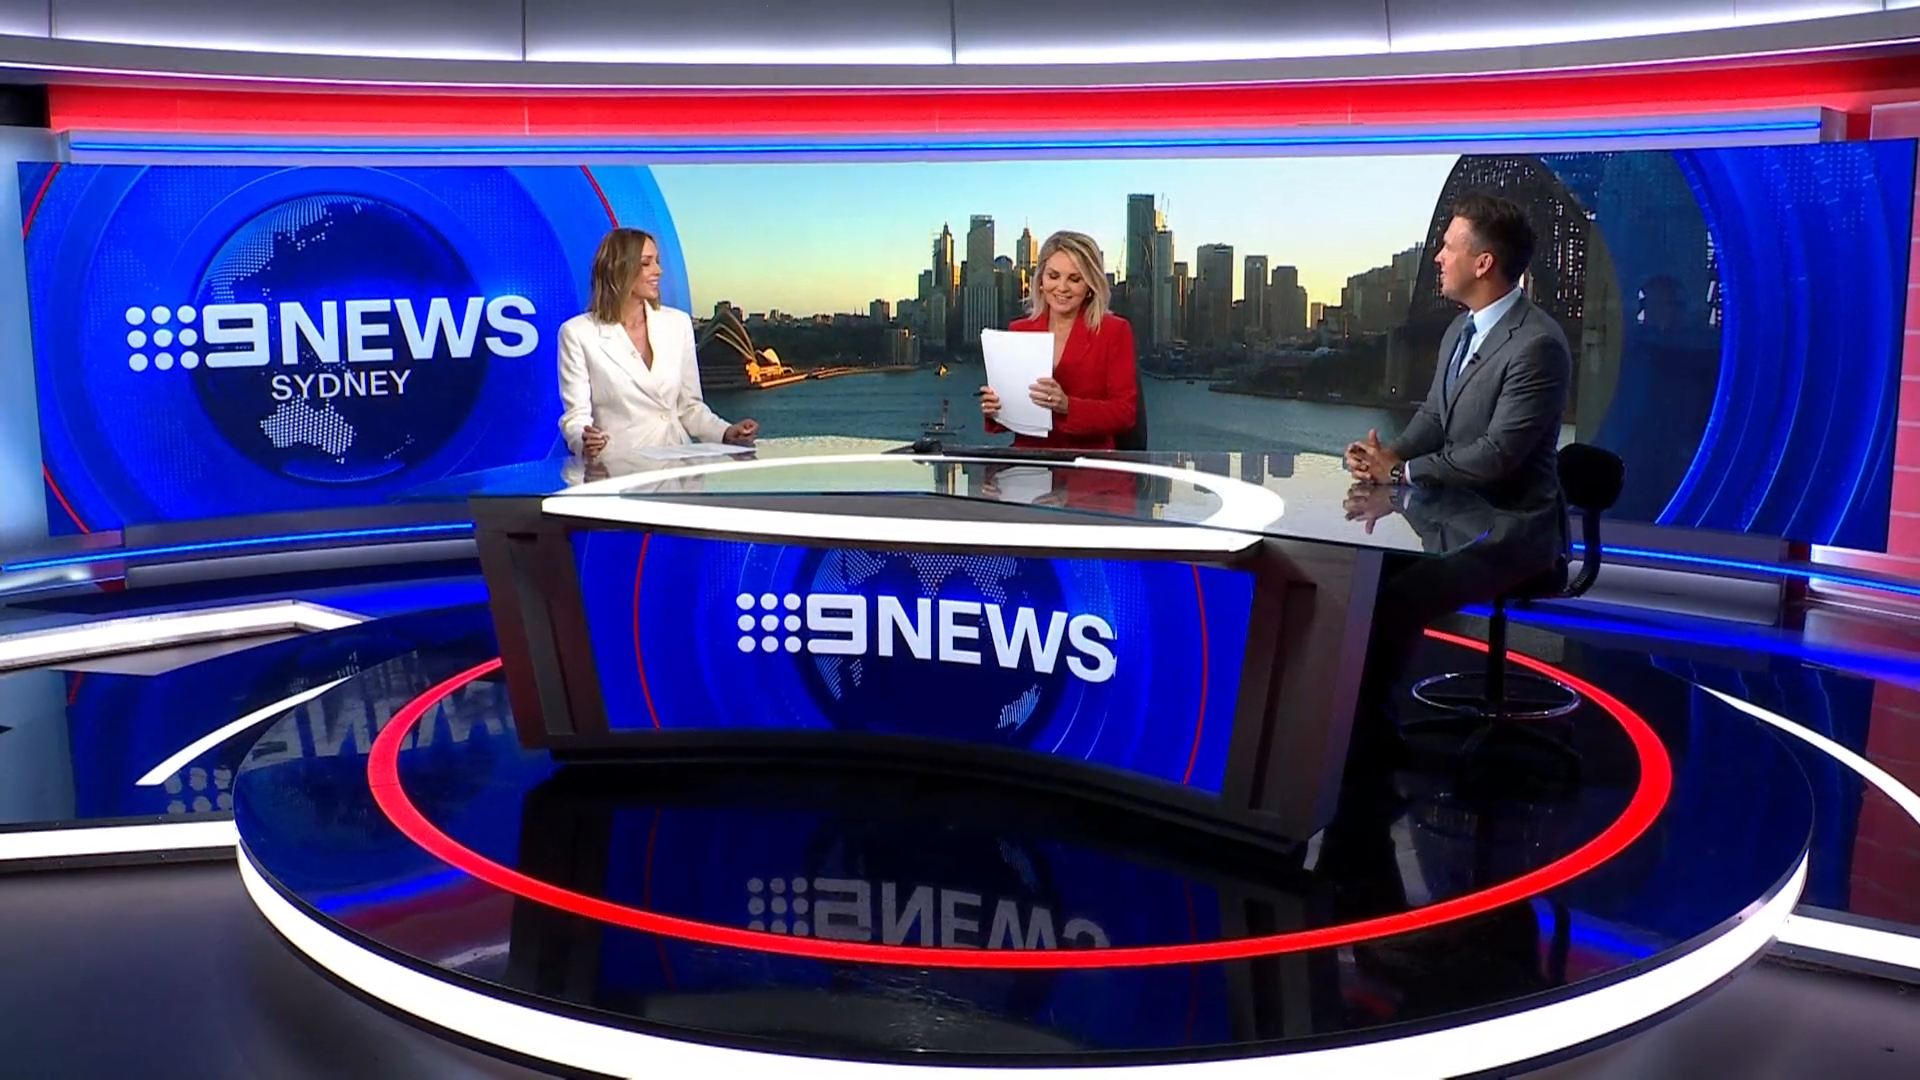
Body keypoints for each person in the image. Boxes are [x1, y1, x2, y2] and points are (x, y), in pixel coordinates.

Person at [1342, 192, 1572, 769]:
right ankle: (1347, 726)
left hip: (1512, 532)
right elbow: (1436, 417)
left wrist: (1403, 472)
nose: (1438, 257)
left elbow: (1497, 456)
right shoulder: (1459, 330)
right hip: (1452, 518)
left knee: (1397, 599)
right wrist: (1388, 453)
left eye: (1448, 247)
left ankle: (1373, 748)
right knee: (1364, 575)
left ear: (1484, 262)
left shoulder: (1537, 345)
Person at [557, 227, 756, 458]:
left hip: (677, 464)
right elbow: (576, 417)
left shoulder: (677, 324)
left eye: (657, 261)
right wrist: (583, 440)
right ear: (619, 269)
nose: (658, 271)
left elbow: (689, 407)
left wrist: (726, 432)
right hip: (618, 466)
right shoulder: (578, 333)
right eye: (646, 263)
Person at [979, 231, 1138, 451]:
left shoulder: (1114, 331)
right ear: (1041, 280)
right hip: (1028, 460)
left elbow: (1125, 413)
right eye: (1053, 276)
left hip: (1089, 463)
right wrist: (995, 408)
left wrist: (1068, 406)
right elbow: (1012, 417)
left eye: (1075, 279)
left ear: (1090, 285)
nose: (1062, 287)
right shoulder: (1020, 330)